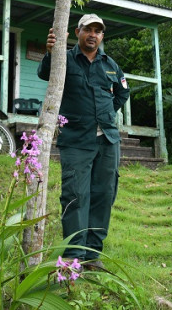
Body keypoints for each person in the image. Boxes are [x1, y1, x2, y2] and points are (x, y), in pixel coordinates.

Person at [37, 13, 130, 270]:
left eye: (98, 31)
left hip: (108, 140)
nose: (93, 35)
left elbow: (123, 92)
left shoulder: (110, 64)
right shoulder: (63, 59)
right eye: (88, 29)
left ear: (102, 36)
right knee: (76, 195)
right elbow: (45, 73)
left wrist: (107, 113)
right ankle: (74, 254)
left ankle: (92, 255)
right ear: (78, 32)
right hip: (76, 139)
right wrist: (50, 51)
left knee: (103, 195)